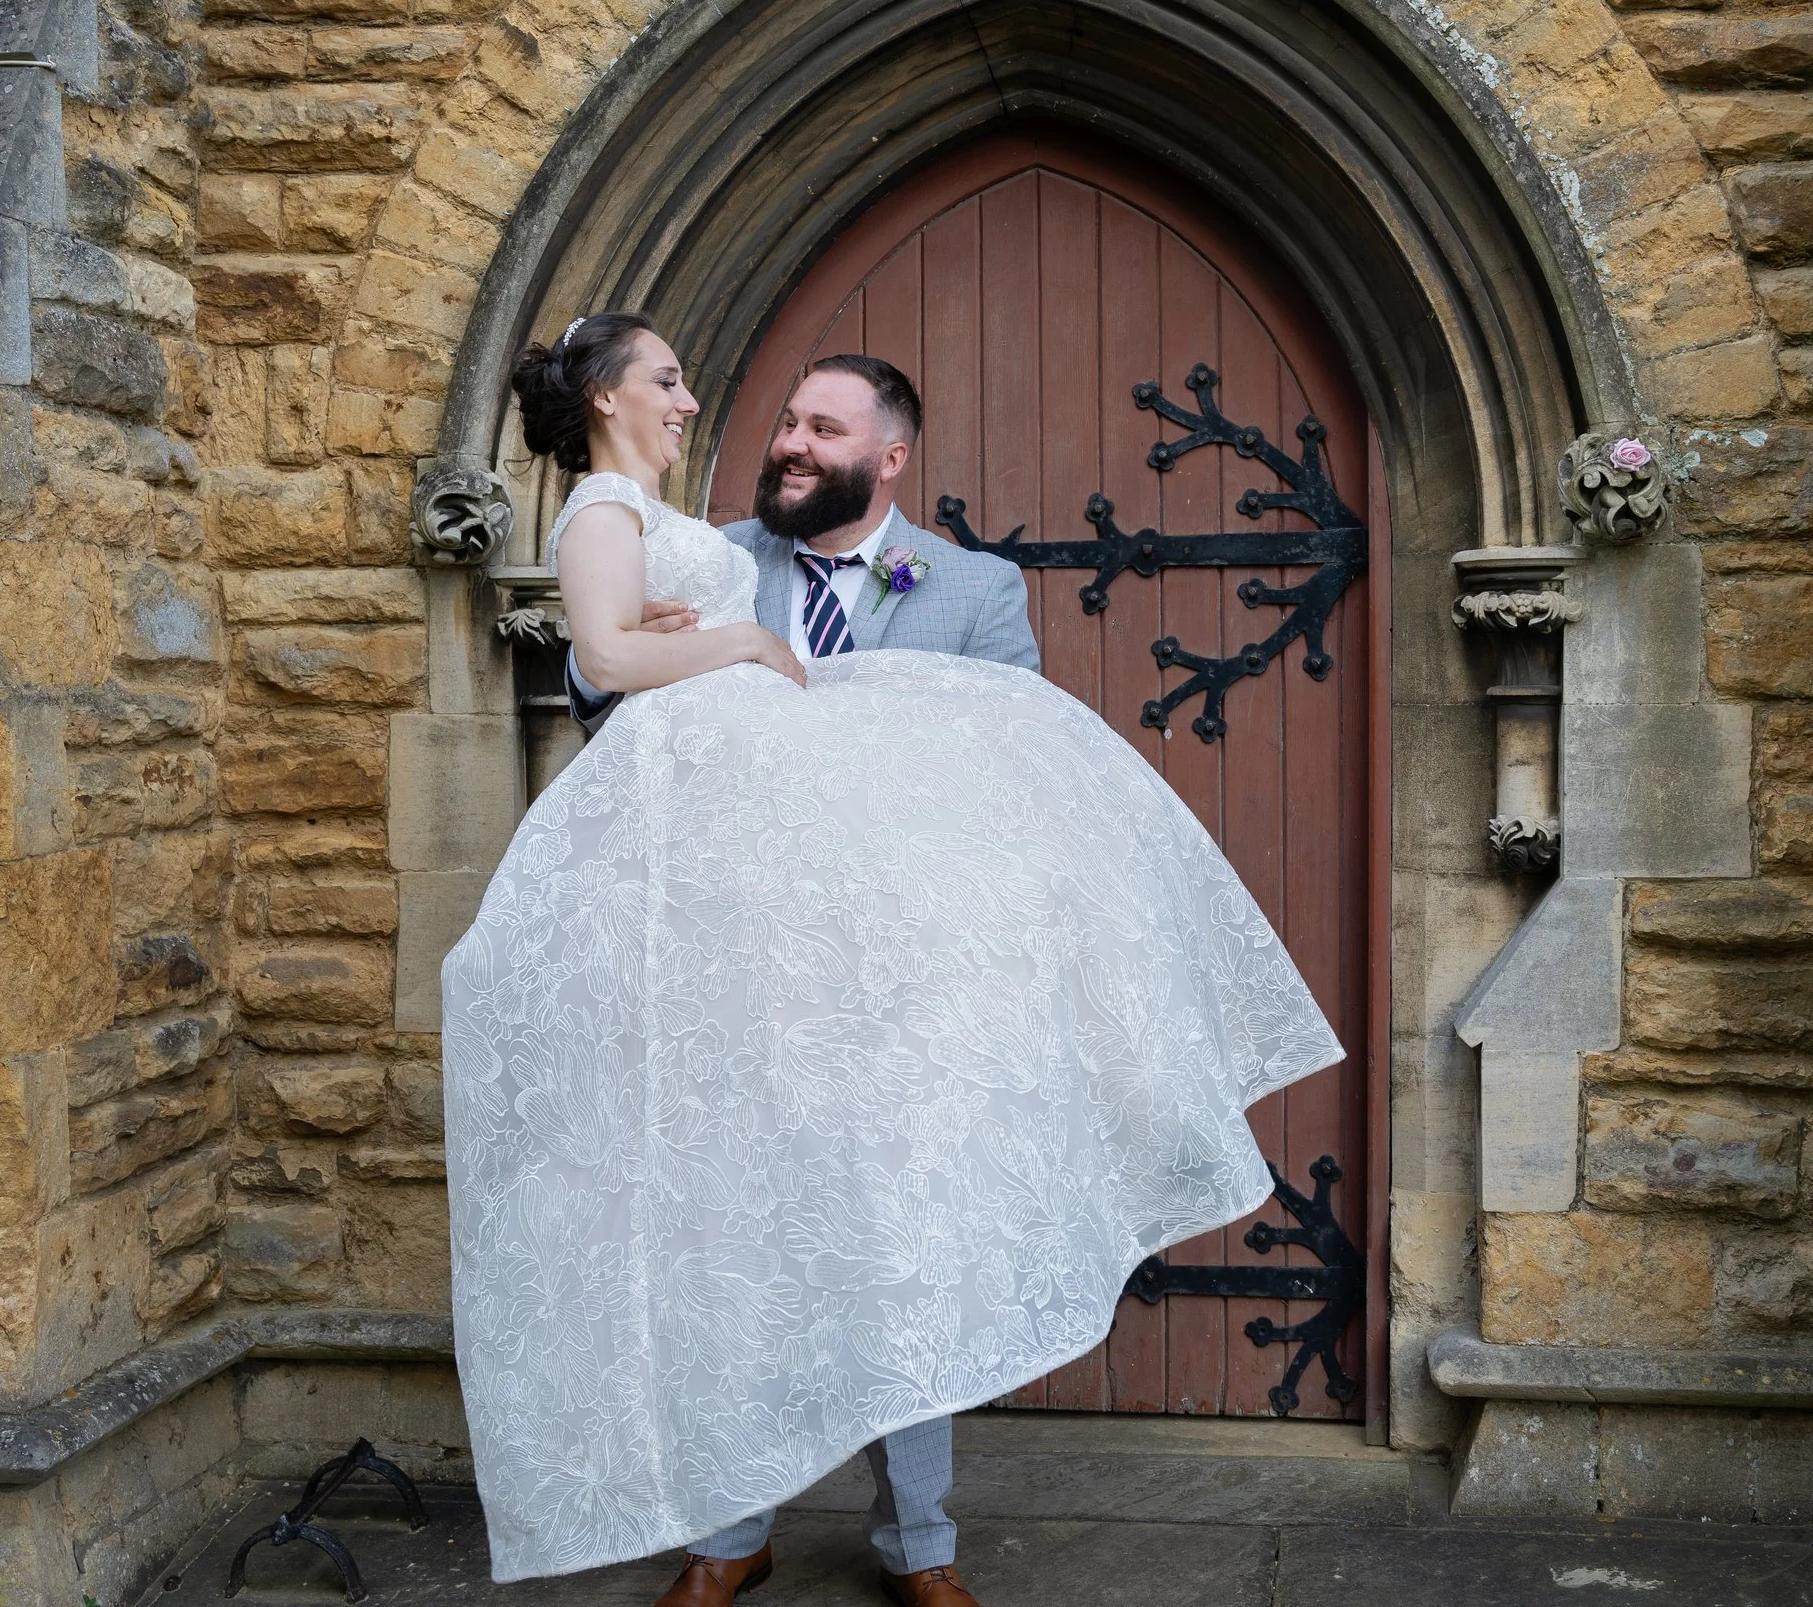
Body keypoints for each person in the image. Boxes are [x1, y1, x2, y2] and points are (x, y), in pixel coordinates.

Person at [439, 312, 1344, 1605]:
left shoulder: (975, 592)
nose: (789, 444)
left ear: (891, 457)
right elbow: (607, 686)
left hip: (909, 982)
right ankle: (727, 1534)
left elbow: (1013, 767)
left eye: (822, 429)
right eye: (788, 424)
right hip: (741, 963)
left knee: (906, 1238)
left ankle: (923, 1546)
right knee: (734, 1236)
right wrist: (704, 642)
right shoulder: (715, 554)